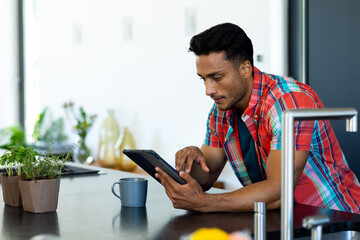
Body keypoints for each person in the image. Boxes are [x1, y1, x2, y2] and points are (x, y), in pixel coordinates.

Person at [155, 23, 360, 213]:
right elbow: (207, 176)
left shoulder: (288, 101)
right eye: (204, 79)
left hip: (335, 218)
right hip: (279, 219)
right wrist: (192, 162)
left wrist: (205, 202)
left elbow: (279, 190)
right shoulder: (221, 109)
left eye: (217, 78)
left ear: (245, 69)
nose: (208, 90)